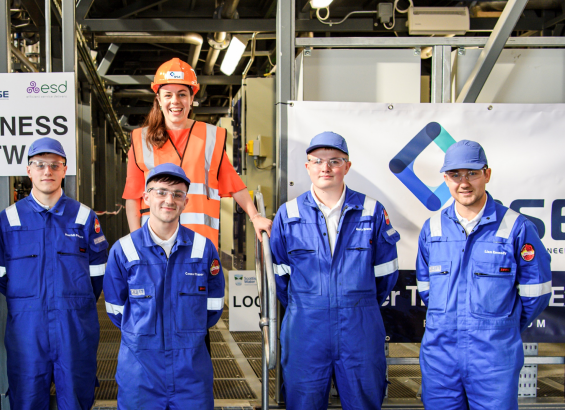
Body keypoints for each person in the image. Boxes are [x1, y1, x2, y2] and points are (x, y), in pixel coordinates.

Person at [416, 140, 552, 409]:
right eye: (455, 175)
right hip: (440, 359)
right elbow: (426, 289)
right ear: (445, 179)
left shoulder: (516, 227)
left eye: (472, 173)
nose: (463, 183)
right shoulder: (432, 229)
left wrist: (502, 327)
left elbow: (536, 293)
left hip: (494, 360)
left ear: (487, 175)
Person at [270, 132, 400, 410]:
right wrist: (307, 304)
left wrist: (357, 303)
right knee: (303, 402)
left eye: (334, 161)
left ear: (347, 166)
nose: (325, 168)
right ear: (307, 167)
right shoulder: (288, 213)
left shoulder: (371, 211)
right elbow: (280, 274)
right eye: (317, 161)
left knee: (363, 402)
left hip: (359, 327)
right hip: (306, 327)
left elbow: (385, 274)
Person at [0, 137, 108, 410]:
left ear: (65, 170)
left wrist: (72, 301)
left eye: (55, 165)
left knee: (76, 398)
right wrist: (29, 300)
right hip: (27, 330)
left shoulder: (84, 218)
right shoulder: (9, 220)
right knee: (27, 399)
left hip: (74, 327)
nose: (47, 171)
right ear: (28, 170)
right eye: (40, 164)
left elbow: (97, 276)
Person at [104, 163, 225, 410]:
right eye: (160, 192)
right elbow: (116, 310)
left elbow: (213, 308)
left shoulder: (203, 249)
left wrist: (186, 334)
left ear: (186, 202)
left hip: (190, 372)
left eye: (177, 194)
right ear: (146, 197)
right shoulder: (124, 249)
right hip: (140, 372)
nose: (169, 200)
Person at [123, 57, 271, 249]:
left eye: (182, 94)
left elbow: (234, 183)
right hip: (154, 244)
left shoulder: (210, 137)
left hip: (199, 246)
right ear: (158, 99)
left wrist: (255, 217)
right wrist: (137, 243)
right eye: (168, 95)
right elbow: (132, 198)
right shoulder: (141, 140)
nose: (175, 101)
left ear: (192, 98)